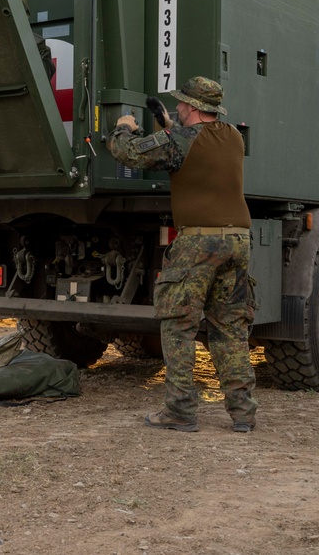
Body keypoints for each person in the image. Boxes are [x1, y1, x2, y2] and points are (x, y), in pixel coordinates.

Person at [107, 76, 258, 433]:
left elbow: (129, 153)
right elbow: (192, 143)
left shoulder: (181, 140)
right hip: (238, 240)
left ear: (191, 106)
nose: (177, 107)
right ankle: (243, 414)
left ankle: (180, 410)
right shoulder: (233, 137)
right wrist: (168, 125)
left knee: (178, 325)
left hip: (199, 243)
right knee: (230, 329)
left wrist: (123, 128)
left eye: (181, 103)